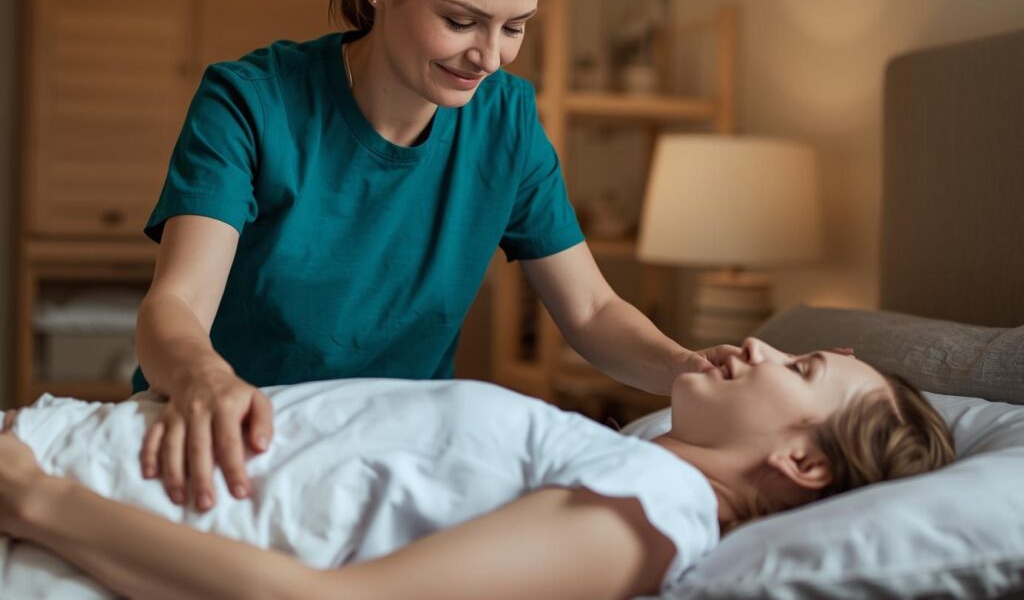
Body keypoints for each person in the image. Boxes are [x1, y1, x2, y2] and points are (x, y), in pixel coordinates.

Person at [131, 0, 745, 514]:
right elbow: (176, 305)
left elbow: (593, 310)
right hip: (225, 434)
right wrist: (204, 380)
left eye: (516, 27)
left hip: (384, 459)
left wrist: (684, 366)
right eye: (462, 19)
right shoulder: (250, 101)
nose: (489, 56)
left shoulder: (507, 123)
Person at [0, 339, 955, 600]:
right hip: (58, 451)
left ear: (801, 459)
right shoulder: (625, 459)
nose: (759, 341)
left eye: (801, 370)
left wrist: (36, 498)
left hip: (45, 514)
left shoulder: (661, 508)